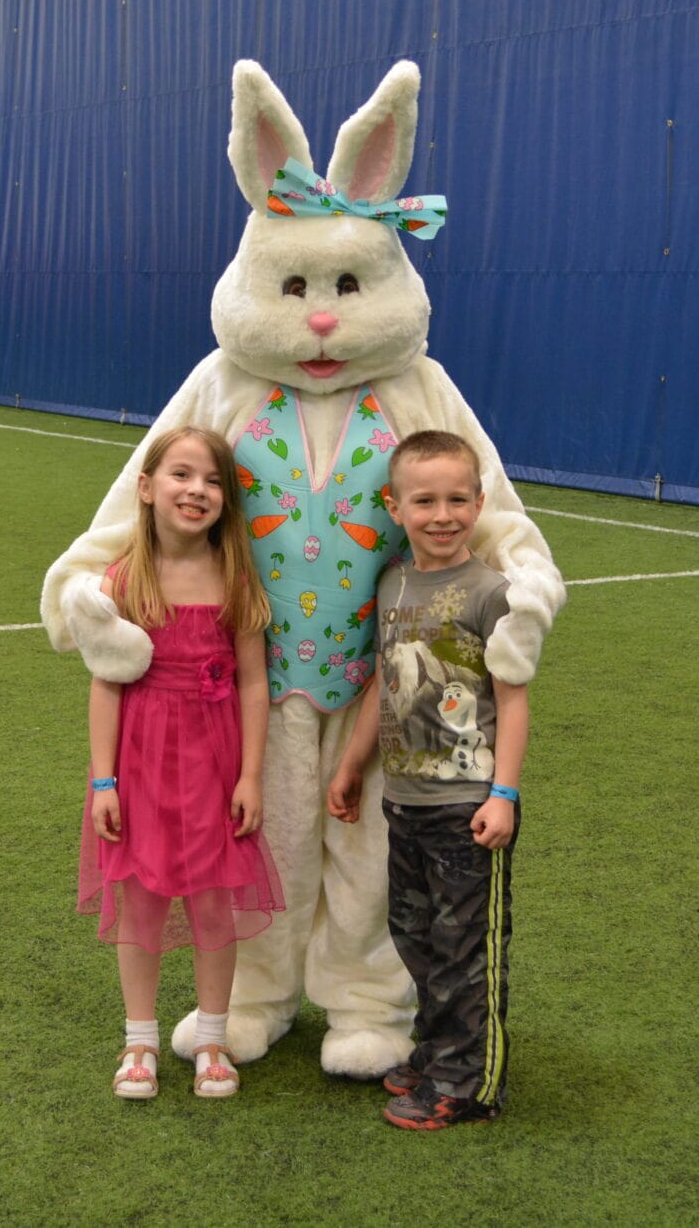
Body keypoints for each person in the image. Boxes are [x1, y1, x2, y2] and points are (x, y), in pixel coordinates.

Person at [327, 429, 530, 1130]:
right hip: (404, 801)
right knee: (415, 936)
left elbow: (513, 698)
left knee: (465, 951)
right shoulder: (393, 582)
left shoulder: (492, 593)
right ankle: (439, 1050)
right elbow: (385, 682)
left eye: (456, 499)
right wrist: (353, 765)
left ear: (479, 503)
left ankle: (470, 1083)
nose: (442, 515)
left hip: (469, 808)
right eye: (424, 500)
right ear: (395, 505)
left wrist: (502, 794)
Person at [78, 425, 284, 1099]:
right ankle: (138, 1042)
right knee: (139, 902)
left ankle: (213, 1040)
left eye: (214, 480)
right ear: (146, 487)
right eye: (182, 475)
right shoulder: (124, 577)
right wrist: (102, 779)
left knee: (212, 904)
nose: (197, 490)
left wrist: (250, 774)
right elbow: (106, 683)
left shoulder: (235, 577)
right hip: (139, 766)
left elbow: (254, 682)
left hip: (214, 764)